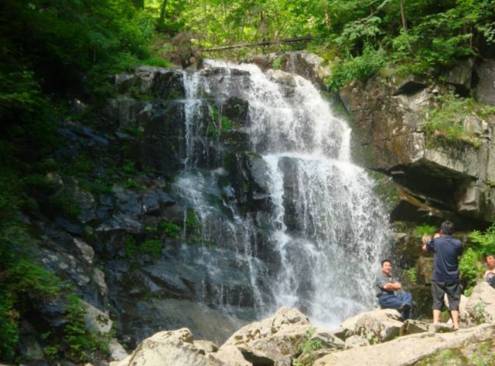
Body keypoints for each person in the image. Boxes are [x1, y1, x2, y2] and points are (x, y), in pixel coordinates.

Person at [422, 220, 463, 330]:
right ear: (452, 232)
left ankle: (435, 323)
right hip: (452, 277)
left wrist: (433, 239)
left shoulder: (436, 241)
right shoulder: (457, 243)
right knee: (454, 301)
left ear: (441, 230)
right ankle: (456, 325)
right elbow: (459, 253)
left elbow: (425, 248)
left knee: (437, 300)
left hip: (438, 276)